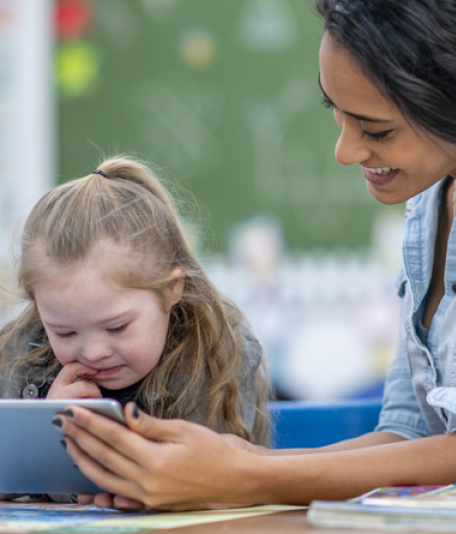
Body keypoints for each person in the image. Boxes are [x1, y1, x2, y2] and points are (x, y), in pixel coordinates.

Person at [51, 0, 456, 508]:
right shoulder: (431, 198)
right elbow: (411, 431)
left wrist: (240, 475)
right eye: (335, 110)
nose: (345, 151)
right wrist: (224, 459)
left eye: (376, 130)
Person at [0, 156, 269, 502]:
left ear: (171, 289)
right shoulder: (21, 353)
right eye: (65, 333)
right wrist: (46, 435)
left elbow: (216, 482)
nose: (94, 351)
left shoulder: (216, 355)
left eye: (117, 327)